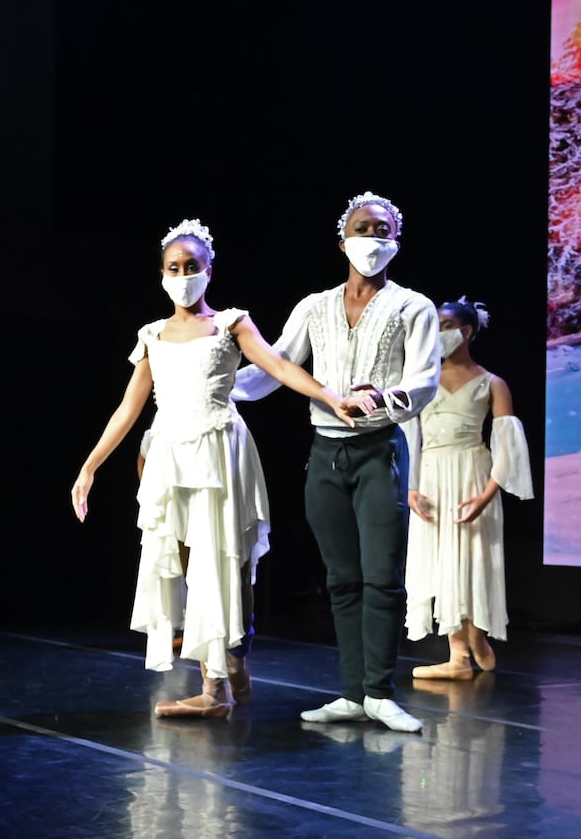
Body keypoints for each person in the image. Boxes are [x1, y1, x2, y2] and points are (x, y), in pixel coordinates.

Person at [71, 219, 365, 719]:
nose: (183, 275)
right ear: (161, 273)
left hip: (219, 453)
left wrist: (331, 397)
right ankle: (222, 675)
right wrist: (89, 467)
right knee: (187, 564)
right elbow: (129, 408)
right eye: (173, 268)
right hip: (171, 456)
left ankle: (225, 672)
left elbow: (279, 367)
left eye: (192, 267)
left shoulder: (231, 323)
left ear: (209, 270)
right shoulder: (152, 335)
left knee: (227, 562)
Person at [231, 192, 440, 732]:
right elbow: (275, 365)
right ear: (341, 239)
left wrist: (385, 397)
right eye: (362, 227)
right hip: (325, 454)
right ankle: (351, 693)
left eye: (382, 229)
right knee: (342, 579)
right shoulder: (314, 306)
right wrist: (217, 384)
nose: (372, 238)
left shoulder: (412, 306)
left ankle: (379, 691)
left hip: (378, 451)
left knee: (383, 577)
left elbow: (424, 380)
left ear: (396, 241)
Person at [405, 297, 534, 677]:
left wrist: (487, 493)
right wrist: (410, 487)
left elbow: (508, 446)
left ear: (465, 331)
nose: (437, 333)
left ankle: (476, 634)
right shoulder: (422, 381)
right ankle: (457, 656)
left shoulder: (492, 382)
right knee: (441, 560)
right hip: (431, 476)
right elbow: (410, 436)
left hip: (472, 474)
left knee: (473, 556)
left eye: (444, 325)